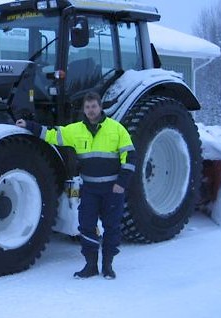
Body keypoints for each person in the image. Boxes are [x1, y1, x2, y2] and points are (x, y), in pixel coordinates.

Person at [16, 92, 135, 279]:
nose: (91, 110)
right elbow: (52, 135)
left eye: (94, 106)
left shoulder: (117, 129)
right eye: (87, 107)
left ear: (100, 106)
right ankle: (90, 265)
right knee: (86, 226)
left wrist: (121, 183)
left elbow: (130, 157)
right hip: (90, 189)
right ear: (84, 109)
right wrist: (29, 125)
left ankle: (108, 265)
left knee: (111, 227)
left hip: (112, 190)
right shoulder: (76, 130)